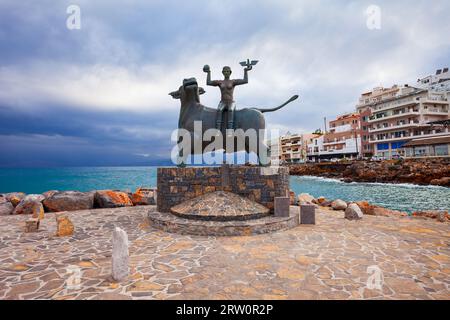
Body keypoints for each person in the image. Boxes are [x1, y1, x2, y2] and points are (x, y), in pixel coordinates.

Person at [203, 64, 251, 131]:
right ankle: (218, 130)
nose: (226, 73)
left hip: (231, 102)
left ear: (230, 72)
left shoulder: (233, 82)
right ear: (223, 72)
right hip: (223, 102)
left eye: (228, 71)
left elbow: (245, 81)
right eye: (225, 71)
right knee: (219, 110)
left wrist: (245, 71)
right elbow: (209, 82)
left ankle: (230, 130)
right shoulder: (220, 82)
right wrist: (208, 72)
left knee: (230, 110)